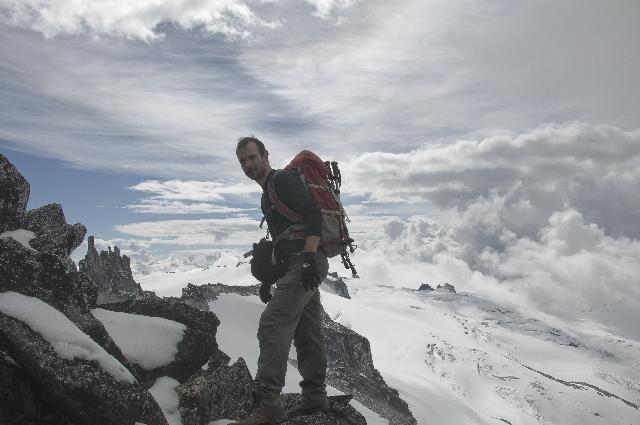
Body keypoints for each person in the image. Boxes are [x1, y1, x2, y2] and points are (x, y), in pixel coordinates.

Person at [232, 136, 331, 425]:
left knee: (273, 323)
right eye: (242, 162)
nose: (248, 164)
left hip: (305, 263)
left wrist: (310, 258)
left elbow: (312, 214)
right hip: (298, 264)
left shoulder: (282, 181)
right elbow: (285, 239)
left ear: (265, 155)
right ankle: (315, 398)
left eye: (251, 157)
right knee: (307, 331)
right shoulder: (268, 192)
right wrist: (269, 278)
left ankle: (269, 405)